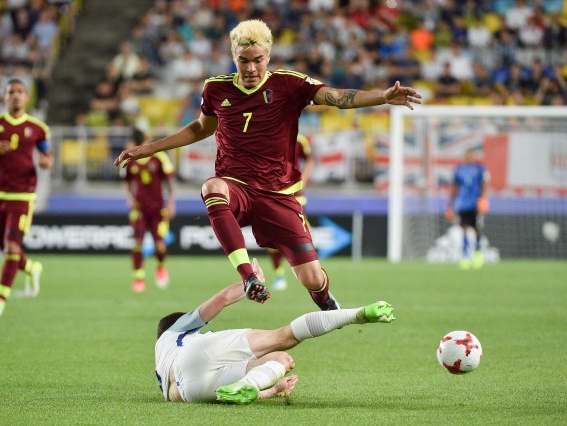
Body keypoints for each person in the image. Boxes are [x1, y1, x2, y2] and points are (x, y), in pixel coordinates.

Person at [116, 19, 421, 310]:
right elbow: (201, 128)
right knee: (212, 187)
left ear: (269, 55)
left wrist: (382, 96)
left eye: (258, 60)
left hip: (280, 194)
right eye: (243, 60)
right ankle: (249, 276)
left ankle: (325, 299)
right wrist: (150, 149)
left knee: (312, 278)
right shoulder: (215, 89)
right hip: (238, 186)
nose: (251, 68)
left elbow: (338, 96)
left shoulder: (291, 84)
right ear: (233, 56)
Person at [155, 258, 395, 404]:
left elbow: (223, 395)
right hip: (194, 357)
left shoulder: (164, 378)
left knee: (281, 359)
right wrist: (251, 281)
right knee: (283, 337)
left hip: (189, 394)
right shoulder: (173, 331)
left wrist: (272, 390)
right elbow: (223, 299)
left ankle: (253, 381)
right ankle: (358, 314)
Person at [0, 78, 53, 318]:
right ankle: (31, 267)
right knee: (6, 248)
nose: (16, 95)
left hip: (23, 196)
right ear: (4, 98)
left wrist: (46, 161)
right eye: (11, 92)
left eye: (20, 92)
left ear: (26, 97)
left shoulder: (38, 129)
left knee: (11, 246)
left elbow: (47, 156)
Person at [122, 127, 176, 292]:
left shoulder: (159, 157)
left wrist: (172, 203)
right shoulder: (131, 158)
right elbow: (126, 181)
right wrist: (130, 198)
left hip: (158, 209)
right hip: (139, 209)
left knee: (159, 244)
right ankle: (138, 279)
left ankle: (160, 267)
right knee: (137, 242)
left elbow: (170, 181)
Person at [268, 133, 314, 291]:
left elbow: (309, 160)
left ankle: (312, 274)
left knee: (303, 234)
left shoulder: (300, 139)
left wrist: (305, 180)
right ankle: (279, 275)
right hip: (272, 194)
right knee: (272, 237)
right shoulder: (266, 136)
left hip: (295, 195)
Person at [446, 148, 490, 269]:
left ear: (474, 156)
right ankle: (465, 256)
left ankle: (477, 254)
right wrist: (450, 204)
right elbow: (454, 187)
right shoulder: (459, 170)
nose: (469, 157)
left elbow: (484, 184)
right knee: (464, 228)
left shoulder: (481, 169)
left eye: (471, 155)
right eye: (467, 155)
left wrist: (483, 199)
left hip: (476, 203)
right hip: (463, 203)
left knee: (477, 229)